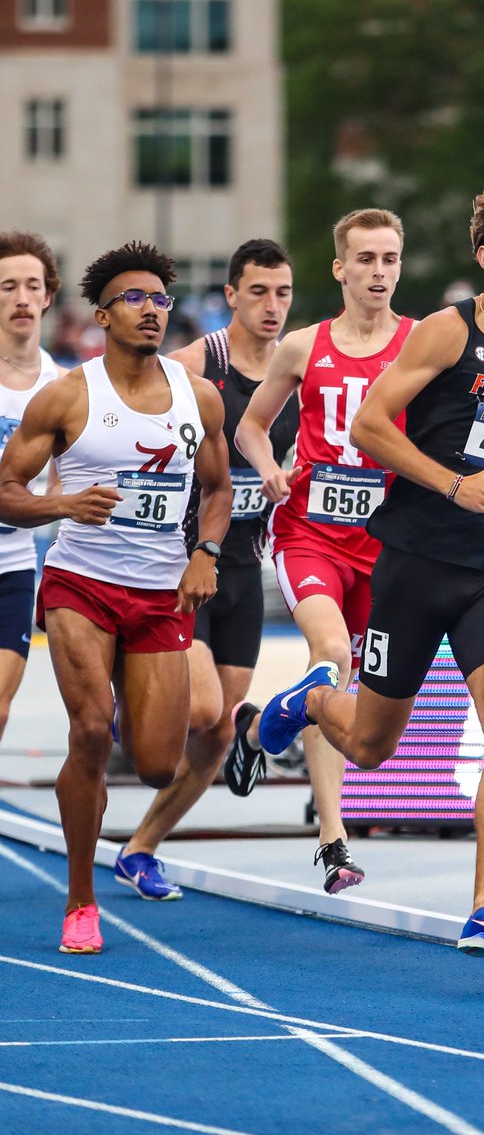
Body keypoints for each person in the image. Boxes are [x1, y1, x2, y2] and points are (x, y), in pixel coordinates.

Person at [252, 180, 484, 958]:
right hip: (416, 563)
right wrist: (452, 484)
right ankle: (314, 699)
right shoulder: (443, 332)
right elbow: (368, 426)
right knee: (369, 747)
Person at [0, 241, 231, 954]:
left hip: (161, 590)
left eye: (162, 299)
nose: (152, 310)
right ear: (102, 315)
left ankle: (121, 818)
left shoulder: (199, 396)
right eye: (135, 298)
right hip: (81, 586)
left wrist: (205, 552)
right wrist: (64, 505)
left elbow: (219, 490)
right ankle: (80, 899)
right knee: (93, 730)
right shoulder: (69, 394)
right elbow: (6, 493)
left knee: (159, 761)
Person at [227, 208, 415, 894]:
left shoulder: (424, 345)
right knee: (330, 657)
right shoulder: (304, 347)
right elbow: (250, 427)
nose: (377, 272)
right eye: (364, 259)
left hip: (383, 545)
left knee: (338, 691)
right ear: (340, 269)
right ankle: (333, 841)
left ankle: (252, 734)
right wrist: (269, 467)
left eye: (389, 259)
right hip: (308, 531)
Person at [113, 240, 297, 900]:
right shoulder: (196, 366)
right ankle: (125, 704)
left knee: (219, 732)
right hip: (182, 565)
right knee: (204, 710)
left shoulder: (296, 369)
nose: (272, 307)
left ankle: (140, 849)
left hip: (244, 571)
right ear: (230, 295)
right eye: (258, 292)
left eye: (282, 293)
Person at [0, 232, 68, 743]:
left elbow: (68, 481)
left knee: (0, 705)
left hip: (16, 560)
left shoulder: (64, 387)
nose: (21, 298)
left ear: (48, 296)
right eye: (7, 286)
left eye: (31, 286)